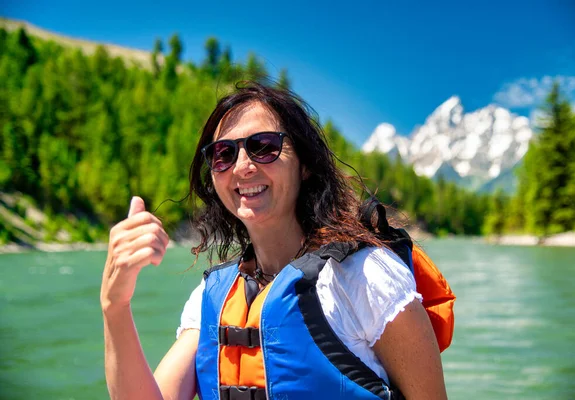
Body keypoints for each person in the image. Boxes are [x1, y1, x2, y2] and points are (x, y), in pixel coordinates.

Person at [101, 82, 448, 400]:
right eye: (223, 154)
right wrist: (115, 306)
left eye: (263, 147)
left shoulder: (364, 277)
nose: (242, 166)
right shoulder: (210, 299)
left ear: (305, 164)